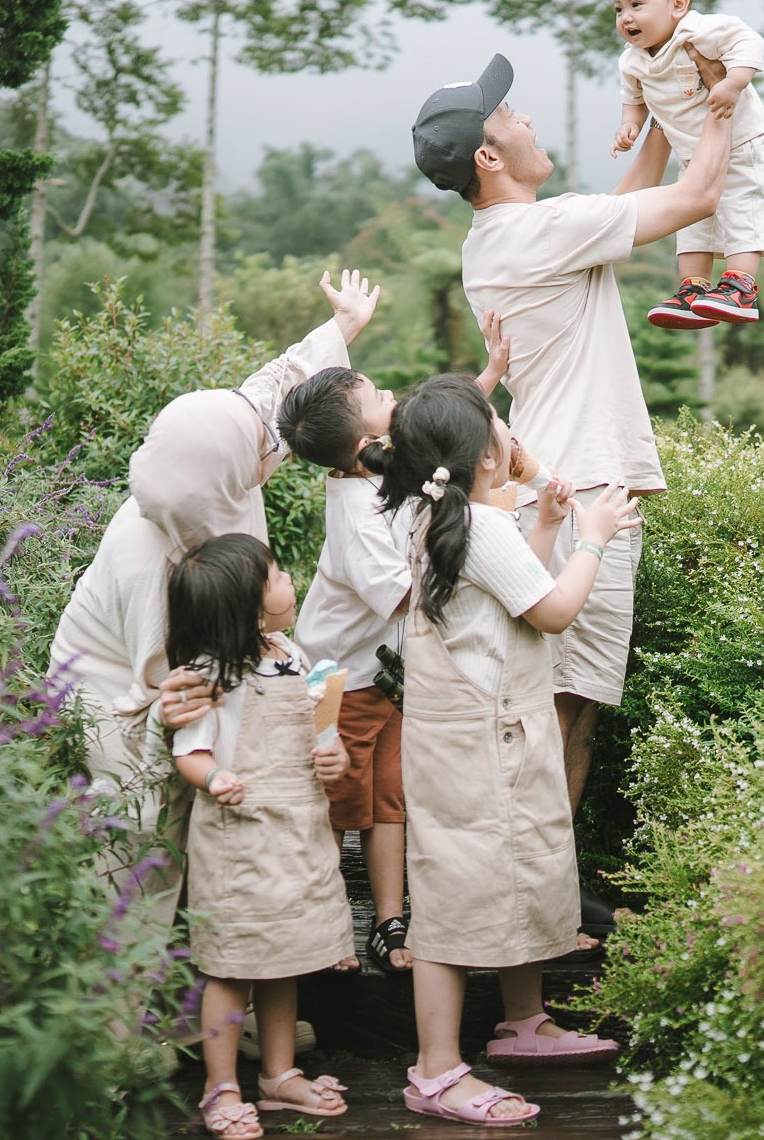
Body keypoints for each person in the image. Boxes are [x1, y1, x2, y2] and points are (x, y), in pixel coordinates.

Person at [410, 52, 732, 835]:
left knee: (554, 698)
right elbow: (698, 196)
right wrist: (720, 106)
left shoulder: (500, 239)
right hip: (579, 491)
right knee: (567, 705)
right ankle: (532, 881)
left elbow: (614, 211)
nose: (525, 119)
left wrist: (658, 108)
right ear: (489, 156)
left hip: (553, 481)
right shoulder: (542, 231)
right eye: (508, 115)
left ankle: (528, 875)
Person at [49, 270, 381, 938]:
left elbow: (273, 396)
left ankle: (226, 988)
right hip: (113, 685)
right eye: (261, 446)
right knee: (147, 837)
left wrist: (341, 328)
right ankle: (128, 1012)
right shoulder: (156, 560)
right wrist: (186, 720)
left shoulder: (221, 449)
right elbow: (160, 684)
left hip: (196, 672)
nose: (270, 447)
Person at [377, 375, 642, 1127]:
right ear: (484, 454)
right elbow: (554, 610)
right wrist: (594, 537)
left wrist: (550, 528)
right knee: (456, 898)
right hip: (480, 744)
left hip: (482, 735)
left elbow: (509, 588)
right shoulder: (479, 526)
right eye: (498, 422)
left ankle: (523, 1021)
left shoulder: (445, 514)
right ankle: (435, 1069)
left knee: (522, 862)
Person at [274, 318, 511, 977]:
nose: (392, 396)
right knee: (337, 806)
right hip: (337, 684)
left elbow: (437, 432)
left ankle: (388, 918)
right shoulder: (352, 512)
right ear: (366, 436)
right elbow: (403, 594)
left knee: (387, 800)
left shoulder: (380, 465)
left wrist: (486, 379)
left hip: (380, 678)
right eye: (378, 392)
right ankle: (315, 926)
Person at [166, 534, 353, 1137]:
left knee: (285, 957)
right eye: (275, 574)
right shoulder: (210, 677)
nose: (287, 580)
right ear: (248, 602)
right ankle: (221, 1085)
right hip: (239, 839)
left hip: (296, 830)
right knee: (231, 964)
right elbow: (190, 752)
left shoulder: (293, 656)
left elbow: (322, 738)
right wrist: (214, 775)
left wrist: (336, 759)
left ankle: (277, 1075)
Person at [609, 0, 764, 331]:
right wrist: (629, 127)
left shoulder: (700, 30)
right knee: (691, 221)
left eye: (636, 4)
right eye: (619, 9)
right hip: (693, 153)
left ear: (679, 4)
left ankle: (740, 285)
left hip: (744, 144)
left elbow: (749, 43)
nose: (626, 17)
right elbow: (633, 101)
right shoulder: (632, 60)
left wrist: (734, 82)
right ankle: (693, 289)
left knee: (740, 207)